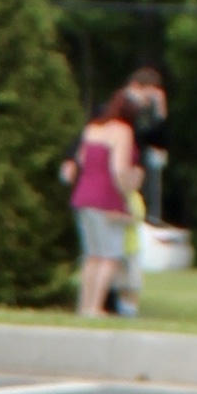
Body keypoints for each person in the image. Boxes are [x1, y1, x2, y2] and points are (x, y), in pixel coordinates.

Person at [68, 88, 143, 320]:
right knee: (109, 256)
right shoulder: (123, 131)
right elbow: (118, 169)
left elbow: (81, 159)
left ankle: (84, 306)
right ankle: (96, 307)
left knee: (92, 255)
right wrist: (127, 197)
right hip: (106, 199)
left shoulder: (92, 128)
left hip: (83, 196)